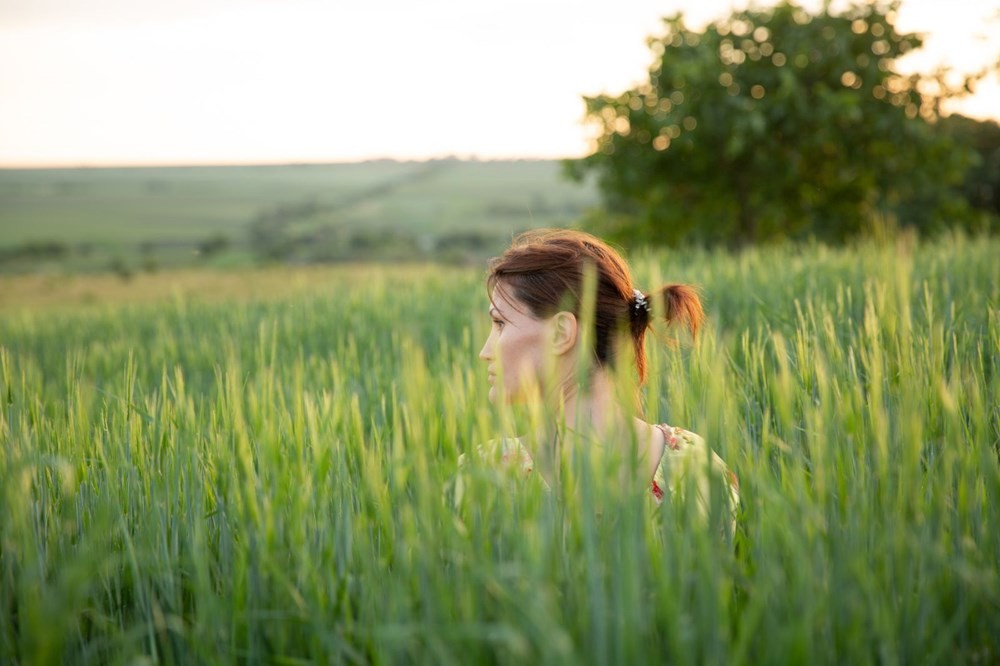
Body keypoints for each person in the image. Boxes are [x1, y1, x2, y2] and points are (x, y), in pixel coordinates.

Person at [470, 228, 739, 530]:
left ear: (561, 333)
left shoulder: (488, 477)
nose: (485, 352)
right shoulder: (698, 469)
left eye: (500, 323)